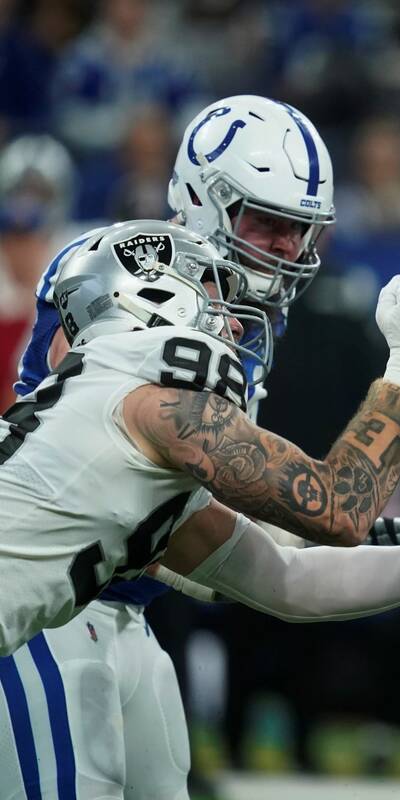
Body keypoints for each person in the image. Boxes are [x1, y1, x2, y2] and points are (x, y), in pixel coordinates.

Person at [0, 220, 400, 795]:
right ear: (148, 294)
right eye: (212, 291)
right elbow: (341, 508)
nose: (236, 320)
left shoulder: (120, 434)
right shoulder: (155, 403)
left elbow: (286, 583)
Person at [0, 95, 343, 798]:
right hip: (56, 608)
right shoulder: (132, 270)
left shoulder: (241, 315)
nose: (286, 247)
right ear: (203, 199)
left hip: (127, 611)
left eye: (300, 229)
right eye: (269, 221)